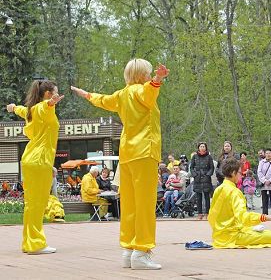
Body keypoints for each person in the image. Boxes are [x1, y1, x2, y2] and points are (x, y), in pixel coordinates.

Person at [71, 59, 169, 269]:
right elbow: (149, 94)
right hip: (145, 151)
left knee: (130, 203)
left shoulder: (121, 95)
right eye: (149, 73)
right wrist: (158, 80)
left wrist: (86, 94)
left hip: (127, 154)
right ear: (143, 75)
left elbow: (102, 100)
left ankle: (129, 250)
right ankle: (142, 251)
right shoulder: (141, 90)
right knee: (144, 204)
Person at [6, 79, 64, 255]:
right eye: (55, 91)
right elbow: (44, 107)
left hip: (34, 161)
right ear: (47, 94)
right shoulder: (43, 108)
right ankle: (35, 244)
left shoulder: (31, 110)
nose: (57, 94)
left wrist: (13, 107)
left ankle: (29, 242)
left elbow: (22, 110)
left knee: (32, 204)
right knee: (37, 204)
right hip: (39, 161)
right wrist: (50, 103)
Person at [208, 157, 271, 248]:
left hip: (218, 235)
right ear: (233, 173)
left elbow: (212, 215)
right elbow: (243, 217)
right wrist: (265, 217)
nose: (241, 175)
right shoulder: (235, 192)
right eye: (239, 172)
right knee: (270, 235)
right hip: (233, 236)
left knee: (251, 229)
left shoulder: (218, 189)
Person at [190, 142, 215, 220]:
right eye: (201, 146)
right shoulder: (194, 156)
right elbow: (191, 167)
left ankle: (207, 213)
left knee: (207, 197)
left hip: (206, 178)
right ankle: (200, 213)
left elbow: (212, 168)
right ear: (198, 148)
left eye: (204, 146)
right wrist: (195, 175)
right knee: (198, 197)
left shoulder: (209, 157)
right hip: (197, 178)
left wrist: (208, 175)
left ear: (206, 148)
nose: (202, 147)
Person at [257, 148, 271, 215]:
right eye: (266, 153)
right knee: (264, 201)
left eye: (269, 153)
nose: (268, 155)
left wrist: (270, 181)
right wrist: (264, 180)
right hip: (264, 184)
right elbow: (259, 172)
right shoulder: (261, 162)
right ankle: (265, 215)